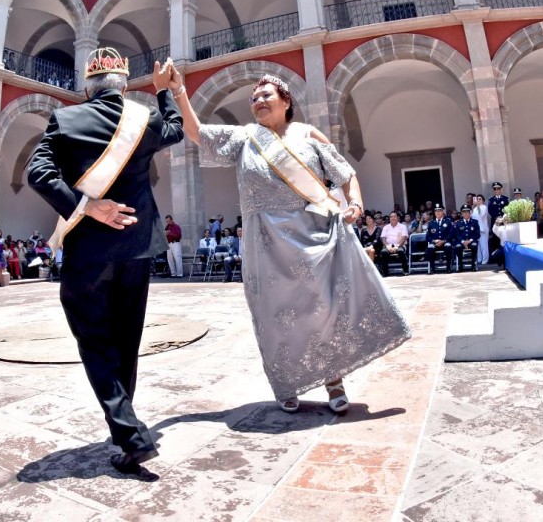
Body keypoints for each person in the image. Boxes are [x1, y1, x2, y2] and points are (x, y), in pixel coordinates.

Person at [166, 61, 410, 416]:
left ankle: (334, 382)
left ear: (285, 100)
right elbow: (197, 132)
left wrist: (355, 202)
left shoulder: (309, 135)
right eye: (254, 98)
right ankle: (286, 381)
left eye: (266, 94)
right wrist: (179, 91)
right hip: (264, 242)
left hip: (313, 236)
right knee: (274, 313)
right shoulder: (245, 138)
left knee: (324, 310)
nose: (258, 101)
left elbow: (345, 173)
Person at [26, 47, 184, 480]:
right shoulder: (145, 118)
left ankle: (130, 434)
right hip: (137, 246)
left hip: (91, 250)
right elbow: (175, 129)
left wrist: (88, 206)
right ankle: (126, 430)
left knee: (96, 342)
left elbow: (38, 174)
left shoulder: (67, 119)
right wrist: (164, 91)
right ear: (122, 85)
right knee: (126, 340)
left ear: (89, 88)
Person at [425, 204, 455, 273]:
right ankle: (432, 268)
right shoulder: (431, 223)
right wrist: (434, 241)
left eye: (440, 211)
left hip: (445, 242)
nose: (438, 212)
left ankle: (448, 267)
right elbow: (427, 237)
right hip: (435, 243)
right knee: (430, 248)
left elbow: (451, 234)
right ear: (434, 212)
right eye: (436, 211)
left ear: (443, 212)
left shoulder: (448, 222)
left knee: (448, 246)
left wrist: (444, 241)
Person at [379, 211, 408, 276]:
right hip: (388, 245)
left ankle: (405, 270)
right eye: (391, 217)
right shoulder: (386, 227)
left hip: (400, 245)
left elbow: (404, 237)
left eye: (394, 216)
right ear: (389, 218)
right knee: (383, 252)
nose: (393, 218)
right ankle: (385, 272)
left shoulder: (402, 226)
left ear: (397, 218)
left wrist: (397, 246)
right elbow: (383, 238)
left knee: (401, 251)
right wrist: (387, 246)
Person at [454, 205, 480, 271]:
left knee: (474, 245)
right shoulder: (458, 223)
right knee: (458, 246)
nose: (466, 214)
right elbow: (457, 235)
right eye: (464, 212)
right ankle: (461, 264)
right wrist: (463, 241)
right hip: (461, 242)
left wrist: (470, 241)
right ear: (462, 213)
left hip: (471, 241)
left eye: (467, 212)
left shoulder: (474, 222)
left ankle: (473, 264)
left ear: (470, 213)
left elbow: (477, 234)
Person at [471, 194, 490, 265]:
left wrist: (478, 206)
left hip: (483, 229)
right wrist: (473, 207)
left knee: (483, 245)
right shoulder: (475, 208)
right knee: (478, 245)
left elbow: (481, 214)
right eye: (477, 199)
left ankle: (485, 259)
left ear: (483, 201)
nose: (478, 200)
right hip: (476, 229)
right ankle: (479, 259)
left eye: (480, 199)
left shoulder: (484, 207)